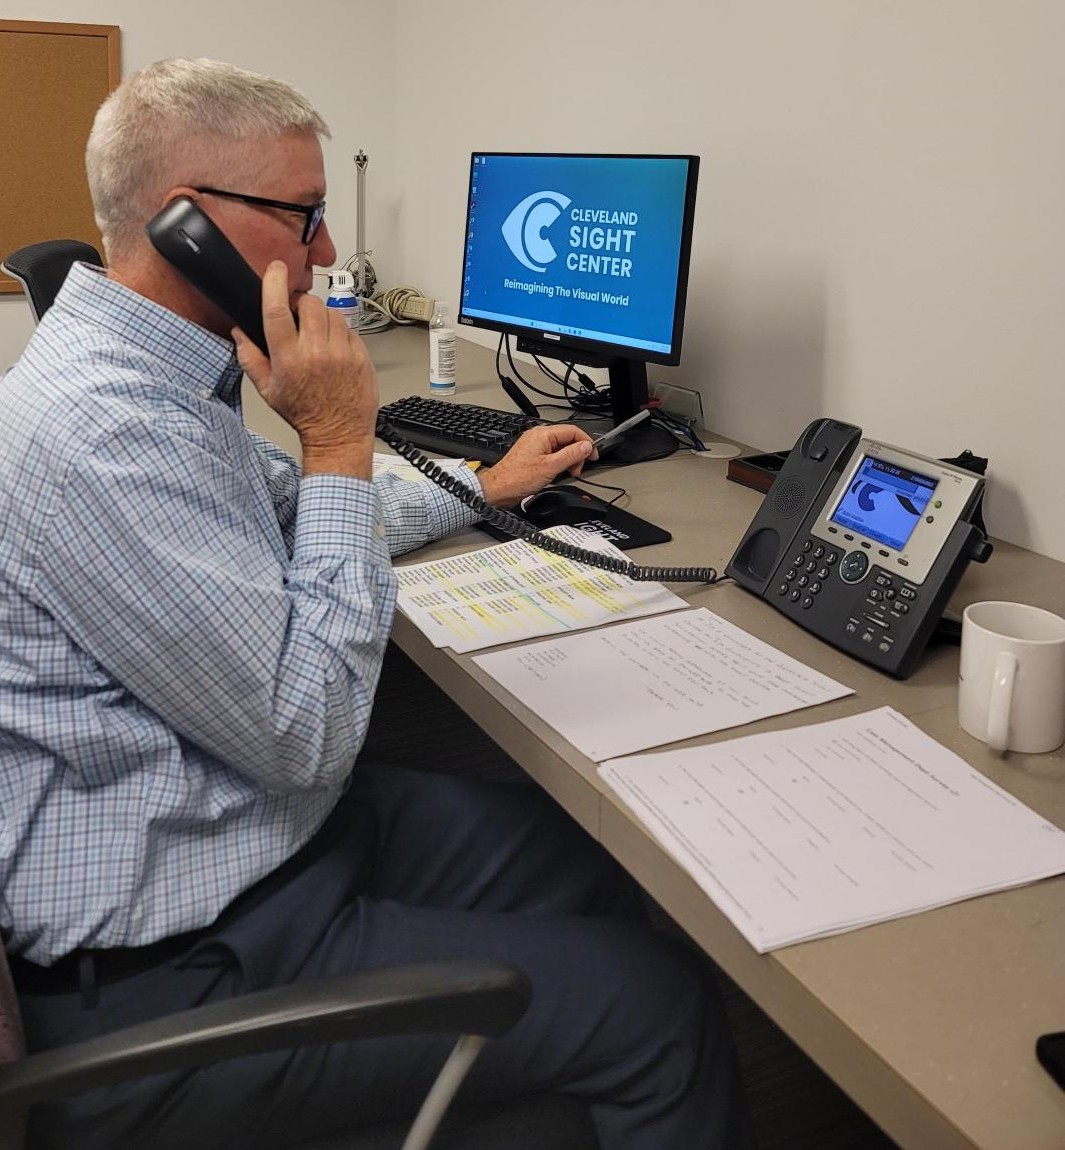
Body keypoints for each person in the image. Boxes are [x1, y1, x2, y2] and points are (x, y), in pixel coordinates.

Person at [0, 57, 749, 1149]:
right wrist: (343, 433)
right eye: (302, 216)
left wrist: (481, 487)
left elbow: (296, 514)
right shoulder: (98, 442)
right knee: (660, 1013)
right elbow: (308, 728)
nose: (323, 252)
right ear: (184, 225)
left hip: (249, 835)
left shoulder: (149, 370)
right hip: (178, 959)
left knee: (586, 858)